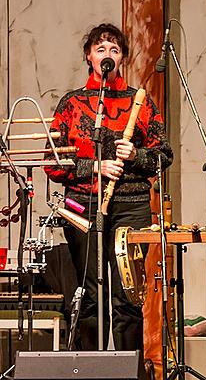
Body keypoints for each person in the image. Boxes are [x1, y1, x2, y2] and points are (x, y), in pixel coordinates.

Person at [46, 23, 172, 351]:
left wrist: (137, 155)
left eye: (114, 50)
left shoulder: (139, 102)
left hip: (132, 204)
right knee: (89, 295)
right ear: (89, 56)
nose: (108, 54)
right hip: (81, 205)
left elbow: (164, 156)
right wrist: (95, 167)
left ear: (123, 59)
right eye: (101, 49)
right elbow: (52, 162)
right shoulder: (72, 103)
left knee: (127, 295)